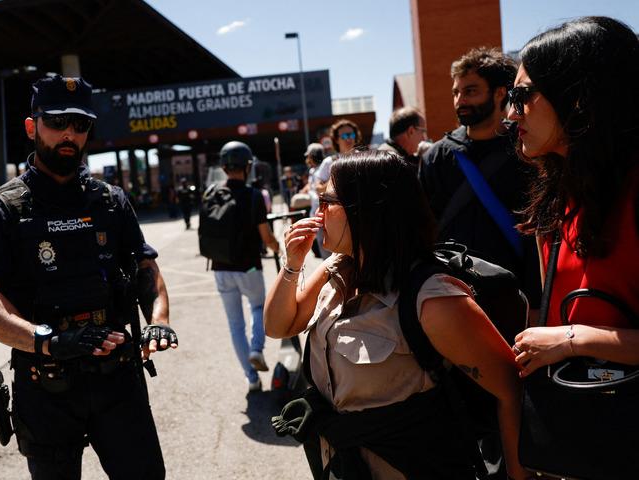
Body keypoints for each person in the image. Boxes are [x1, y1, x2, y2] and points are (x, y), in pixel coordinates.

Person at [0, 75, 176, 479]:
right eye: (56, 122)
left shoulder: (110, 200)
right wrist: (49, 342)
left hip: (118, 380)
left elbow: (146, 268)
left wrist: (158, 321)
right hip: (46, 385)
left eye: (80, 124)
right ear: (31, 126)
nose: (68, 134)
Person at [264, 150, 527, 479]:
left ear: (366, 210)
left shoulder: (432, 299)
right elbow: (277, 326)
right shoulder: (339, 270)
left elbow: (509, 387)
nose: (317, 214)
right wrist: (293, 264)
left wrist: (517, 475)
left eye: (326, 201)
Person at [508, 17, 639, 386]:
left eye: (522, 96)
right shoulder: (555, 200)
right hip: (583, 425)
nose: (511, 114)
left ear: (579, 97)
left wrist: (572, 340)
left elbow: (562, 336)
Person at [419, 47, 541, 316]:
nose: (459, 100)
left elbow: (541, 230)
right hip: (453, 295)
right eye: (456, 92)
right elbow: (422, 229)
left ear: (500, 93)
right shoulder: (437, 156)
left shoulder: (528, 149)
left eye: (470, 91)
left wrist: (536, 302)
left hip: (518, 296)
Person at [211, 141, 280, 393]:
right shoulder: (254, 196)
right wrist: (278, 248)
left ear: (223, 166)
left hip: (219, 269)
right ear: (248, 166)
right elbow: (266, 237)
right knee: (259, 307)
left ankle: (251, 378)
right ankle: (256, 349)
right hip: (249, 268)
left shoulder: (211, 193)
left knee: (235, 325)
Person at [312, 120, 363, 259]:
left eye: (351, 134)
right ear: (336, 139)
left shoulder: (364, 158)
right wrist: (337, 177)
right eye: (344, 136)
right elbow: (318, 189)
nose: (349, 138)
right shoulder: (330, 162)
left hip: (361, 219)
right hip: (337, 223)